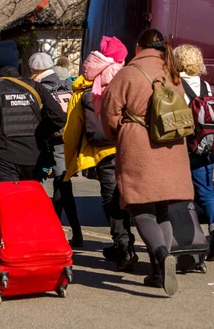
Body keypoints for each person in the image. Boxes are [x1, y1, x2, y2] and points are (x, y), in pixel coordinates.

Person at [101, 28, 194, 296]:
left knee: (140, 208)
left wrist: (120, 130)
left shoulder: (129, 73)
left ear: (138, 46)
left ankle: (162, 254)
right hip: (173, 147)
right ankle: (157, 271)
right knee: (162, 209)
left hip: (140, 147)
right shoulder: (172, 72)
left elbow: (109, 113)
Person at [65, 35, 137, 270]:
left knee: (110, 199)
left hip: (103, 151)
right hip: (131, 146)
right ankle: (154, 248)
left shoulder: (83, 86)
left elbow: (72, 129)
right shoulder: (130, 79)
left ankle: (123, 246)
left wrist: (71, 162)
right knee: (135, 198)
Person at [0, 41, 66, 183]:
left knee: (9, 203)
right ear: (16, 65)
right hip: (34, 158)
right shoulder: (35, 86)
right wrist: (39, 132)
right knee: (31, 202)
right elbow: (59, 117)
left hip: (5, 160)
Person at [175, 44, 214, 261]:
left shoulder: (177, 85)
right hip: (207, 147)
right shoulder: (205, 85)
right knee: (208, 194)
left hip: (185, 148)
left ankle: (190, 240)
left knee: (183, 195)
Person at [28, 52, 83, 246]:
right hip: (69, 140)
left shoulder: (39, 88)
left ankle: (52, 230)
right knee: (63, 184)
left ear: (34, 70)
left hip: (50, 141)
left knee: (53, 185)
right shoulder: (67, 83)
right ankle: (75, 232)